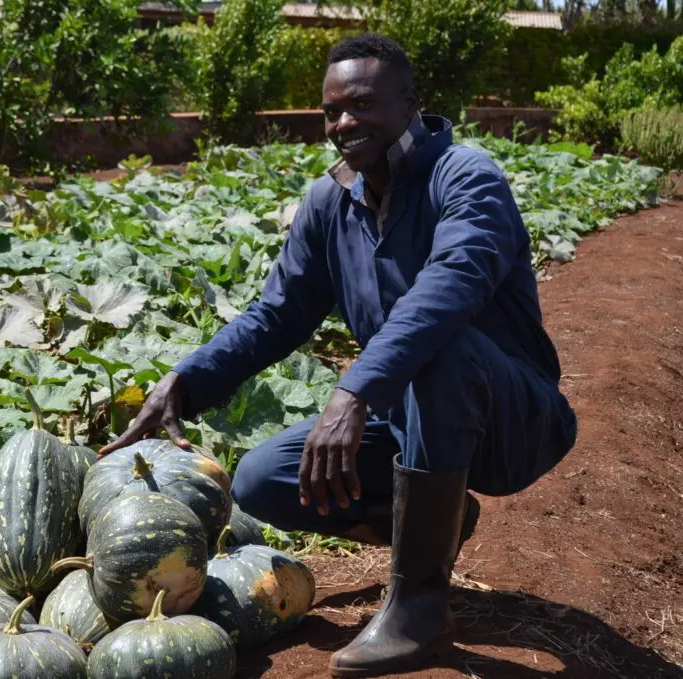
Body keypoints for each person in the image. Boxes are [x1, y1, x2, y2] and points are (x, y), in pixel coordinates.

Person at [98, 33, 578, 678]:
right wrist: (185, 382)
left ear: (411, 103)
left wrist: (353, 392)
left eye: (361, 105)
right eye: (332, 112)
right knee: (264, 478)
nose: (344, 123)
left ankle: (420, 611)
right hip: (411, 414)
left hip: (513, 418)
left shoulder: (465, 176)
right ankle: (434, 523)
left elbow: (451, 285)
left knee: (437, 344)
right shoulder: (333, 200)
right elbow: (280, 312)